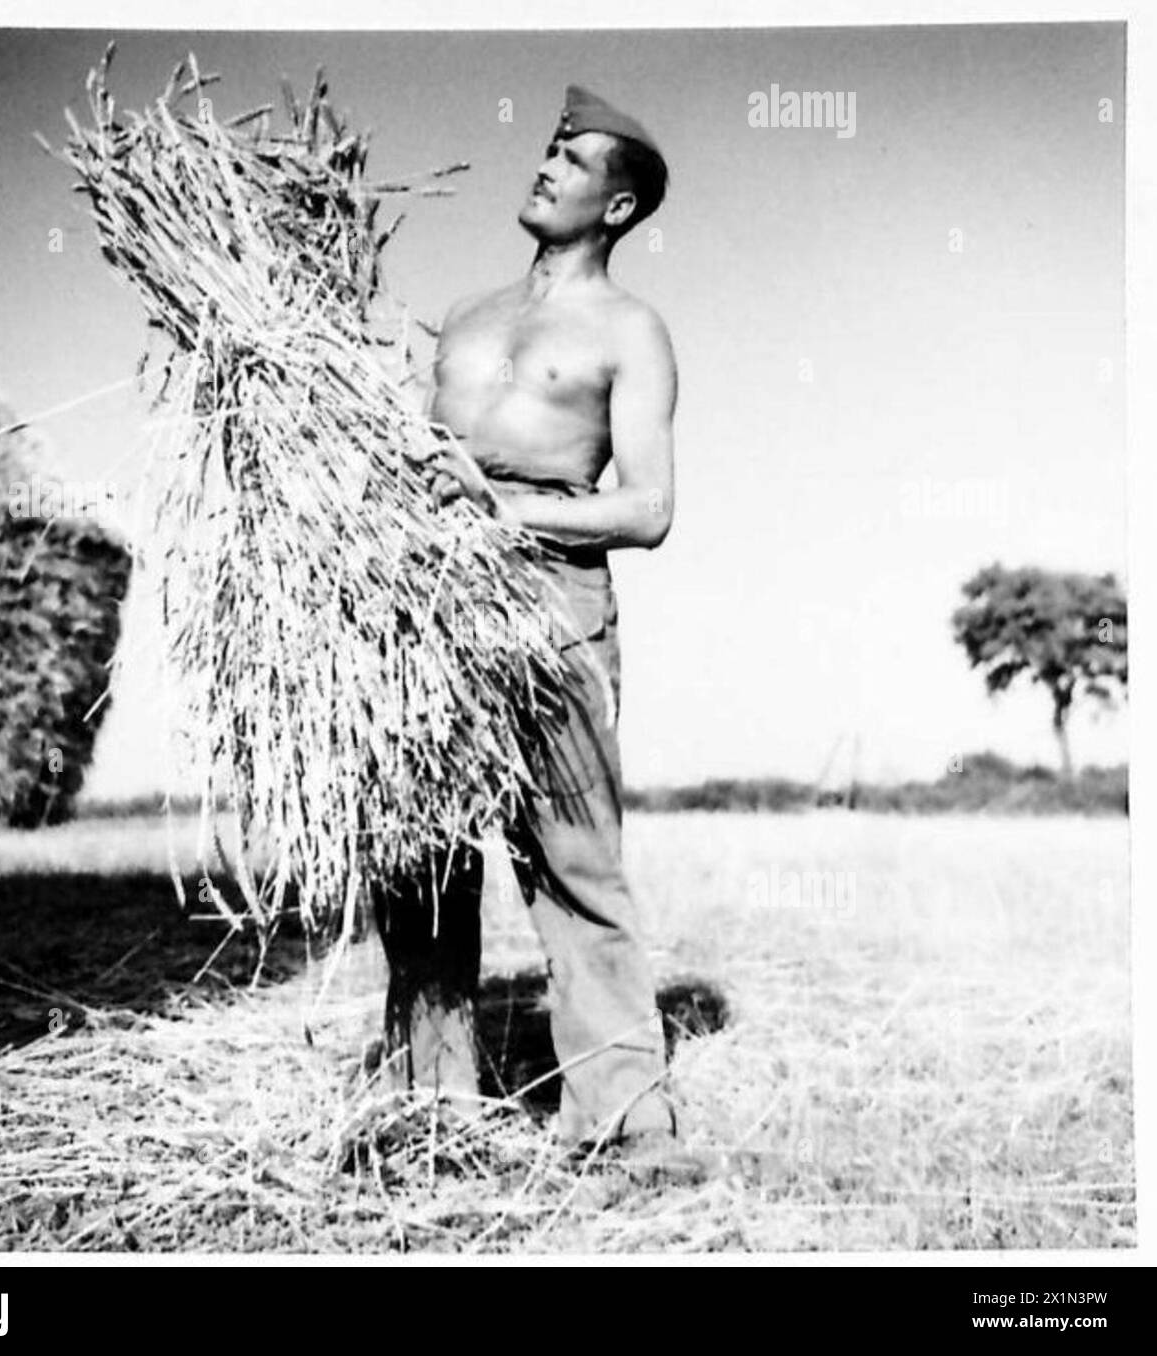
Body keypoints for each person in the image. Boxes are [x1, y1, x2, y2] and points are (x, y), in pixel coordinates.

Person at [375, 85, 693, 1169]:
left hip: (552, 599)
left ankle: (624, 1122)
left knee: (574, 864)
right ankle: (428, 1109)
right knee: (413, 860)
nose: (546, 165)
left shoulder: (629, 330)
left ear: (616, 208)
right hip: (428, 604)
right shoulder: (465, 316)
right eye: (549, 147)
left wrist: (501, 513)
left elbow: (648, 508)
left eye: (573, 158)